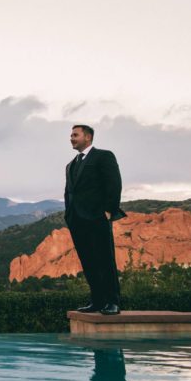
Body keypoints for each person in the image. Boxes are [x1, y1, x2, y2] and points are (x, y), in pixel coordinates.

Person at [64, 125, 126, 316]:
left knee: (105, 260)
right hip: (77, 220)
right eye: (71, 135)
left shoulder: (103, 156)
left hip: (97, 217)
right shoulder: (71, 164)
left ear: (88, 137)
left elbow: (114, 184)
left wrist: (109, 210)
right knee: (88, 261)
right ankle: (97, 301)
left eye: (75, 135)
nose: (71, 138)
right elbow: (69, 192)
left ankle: (113, 302)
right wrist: (69, 215)